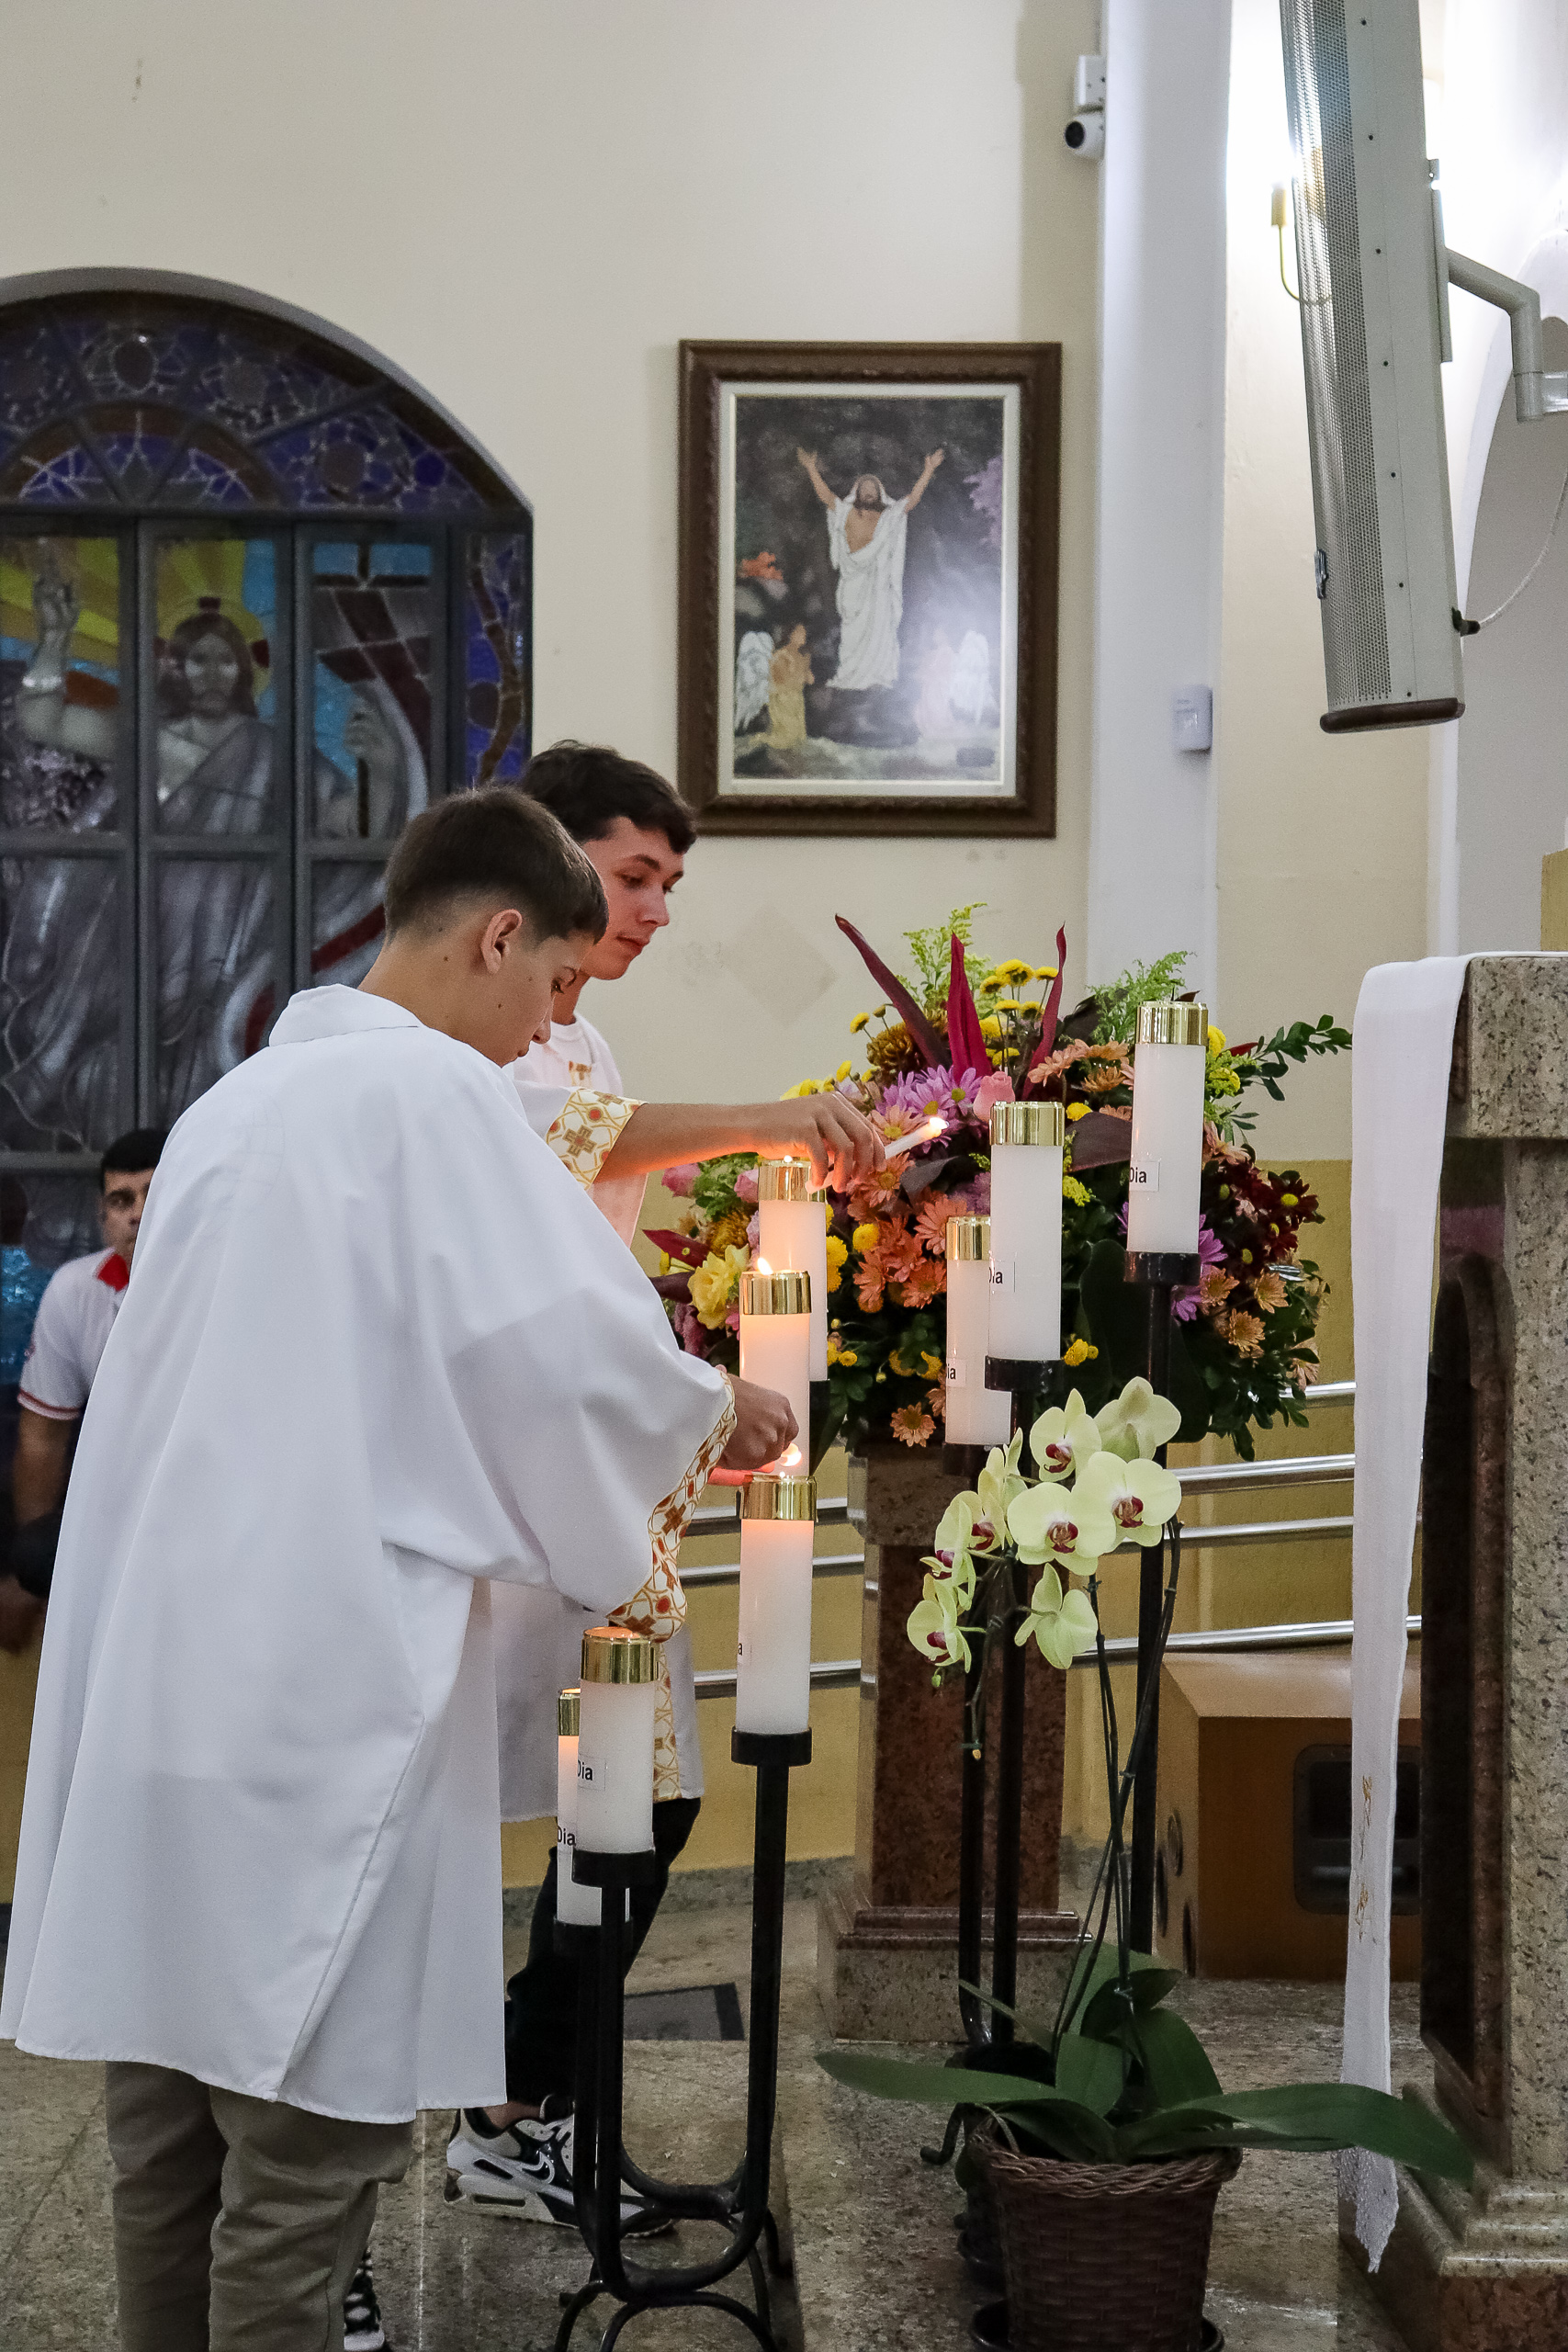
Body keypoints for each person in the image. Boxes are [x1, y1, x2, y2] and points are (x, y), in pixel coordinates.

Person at [0, 785, 798, 2352]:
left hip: (156, 1687)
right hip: (318, 1703)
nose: (550, 1027)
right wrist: (712, 1410)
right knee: (303, 2168)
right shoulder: (431, 1098)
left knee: (166, 2147)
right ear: (498, 937)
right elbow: (548, 1352)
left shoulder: (236, 1106)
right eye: (554, 983)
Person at [435, 741, 882, 2236]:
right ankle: (500, 2109)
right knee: (567, 1811)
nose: (656, 912)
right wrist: (768, 1121)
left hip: (596, 1474)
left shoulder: (589, 1041)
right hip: (498, 1487)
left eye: (668, 884)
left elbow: (599, 1210)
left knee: (631, 1811)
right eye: (635, 878)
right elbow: (565, 1156)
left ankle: (521, 2096)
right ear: (545, 872)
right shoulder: (473, 1036)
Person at [5, 573, 412, 1143]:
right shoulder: (145, 739)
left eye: (226, 660)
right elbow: (43, 721)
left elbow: (354, 830)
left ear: (246, 671)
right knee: (113, 1081)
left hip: (230, 958)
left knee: (211, 1089)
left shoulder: (280, 757)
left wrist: (384, 771)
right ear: (177, 667)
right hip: (129, 952)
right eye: (198, 659)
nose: (212, 673)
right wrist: (54, 639)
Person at [0, 1129, 165, 1656]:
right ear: (102, 1217)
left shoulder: (234, 1285)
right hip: (121, 1510)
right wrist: (37, 1571)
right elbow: (42, 1439)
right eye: (121, 1200)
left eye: (153, 1194)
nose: (137, 1214)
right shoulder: (77, 1291)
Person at [795, 445, 944, 690]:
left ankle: (878, 675)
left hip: (878, 586)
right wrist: (811, 468)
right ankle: (851, 673)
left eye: (872, 489)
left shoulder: (887, 517)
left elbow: (911, 501)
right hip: (853, 583)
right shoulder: (845, 512)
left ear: (879, 494)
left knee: (880, 630)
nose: (868, 492)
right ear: (857, 492)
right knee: (852, 632)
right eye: (864, 489)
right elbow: (826, 496)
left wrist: (928, 470)